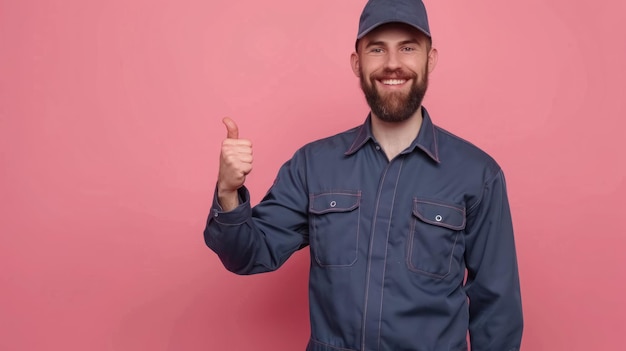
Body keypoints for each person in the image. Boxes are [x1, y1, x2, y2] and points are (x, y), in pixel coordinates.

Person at [204, 0, 523, 349]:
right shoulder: (314, 165)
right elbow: (249, 255)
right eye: (377, 49)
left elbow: (497, 307)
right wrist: (228, 193)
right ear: (357, 63)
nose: (392, 64)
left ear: (430, 59)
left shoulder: (478, 174)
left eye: (407, 48)